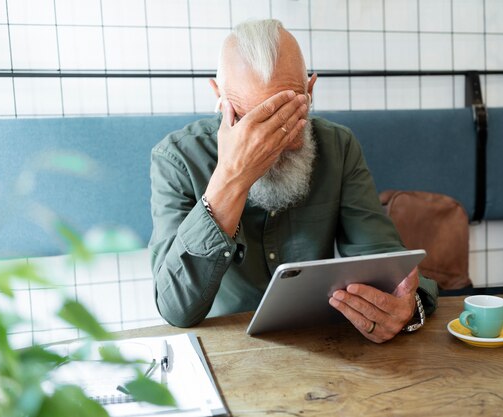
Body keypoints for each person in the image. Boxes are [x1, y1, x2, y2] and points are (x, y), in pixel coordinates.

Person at [149, 19, 438, 343]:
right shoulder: (176, 159)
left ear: (309, 92)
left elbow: (387, 265)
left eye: (287, 115)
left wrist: (404, 306)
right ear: (219, 98)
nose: (268, 142)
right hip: (223, 348)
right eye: (250, 122)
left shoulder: (338, 147)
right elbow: (175, 308)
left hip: (319, 343)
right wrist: (232, 178)